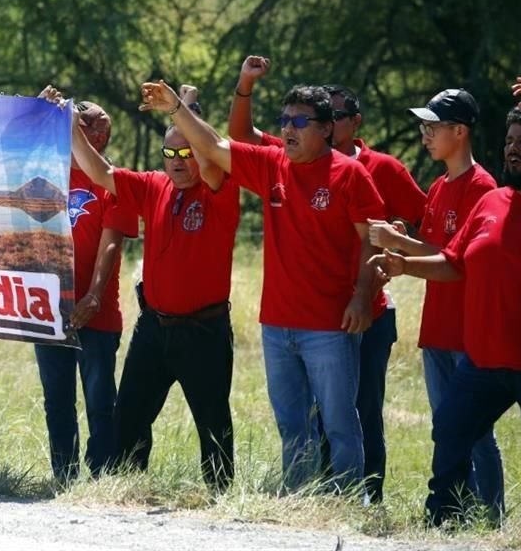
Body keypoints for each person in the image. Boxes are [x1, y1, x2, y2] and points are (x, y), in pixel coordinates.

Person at [149, 76, 386, 492]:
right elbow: (213, 147)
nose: (288, 129)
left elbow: (372, 238)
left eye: (300, 121)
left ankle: (348, 503)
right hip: (276, 325)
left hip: (330, 326)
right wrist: (176, 109)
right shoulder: (271, 165)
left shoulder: (350, 174)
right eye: (284, 120)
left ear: (327, 128)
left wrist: (363, 296)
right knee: (292, 425)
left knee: (340, 424)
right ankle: (298, 501)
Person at [227, 57, 426, 501]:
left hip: (360, 310)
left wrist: (377, 277)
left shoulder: (373, 168)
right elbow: (238, 138)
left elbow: (410, 223)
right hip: (299, 315)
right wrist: (241, 86)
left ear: (342, 124)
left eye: (332, 116)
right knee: (302, 418)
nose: (291, 128)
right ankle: (307, 502)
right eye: (287, 120)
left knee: (355, 414)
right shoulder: (286, 157)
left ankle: (360, 498)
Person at [370, 105, 521, 525]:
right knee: (450, 429)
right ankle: (444, 521)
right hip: (484, 359)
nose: (513, 150)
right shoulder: (492, 202)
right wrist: (404, 265)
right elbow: (455, 263)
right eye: (509, 141)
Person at [70, 87, 239, 491]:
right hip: (155, 327)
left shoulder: (219, 190)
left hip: (204, 330)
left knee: (212, 421)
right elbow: (100, 173)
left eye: (187, 153)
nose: (178, 162)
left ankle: (221, 499)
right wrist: (69, 129)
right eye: (170, 154)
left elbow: (213, 150)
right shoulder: (152, 185)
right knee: (127, 416)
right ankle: (127, 490)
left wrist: (181, 111)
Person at [368, 88, 503, 516]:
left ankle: (491, 511)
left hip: (468, 327)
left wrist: (397, 242)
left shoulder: (482, 186)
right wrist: (401, 244)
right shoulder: (439, 184)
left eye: (433, 127)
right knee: (446, 425)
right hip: (438, 325)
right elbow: (432, 245)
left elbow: (454, 257)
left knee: (475, 427)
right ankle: (455, 506)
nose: (425, 135)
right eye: (424, 127)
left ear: (459, 131)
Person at [33, 91, 138, 484]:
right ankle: (63, 473)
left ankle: (102, 476)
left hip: (98, 312)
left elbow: (111, 242)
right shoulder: (50, 172)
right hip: (50, 309)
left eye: (79, 118)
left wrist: (94, 294)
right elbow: (10, 142)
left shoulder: (113, 182)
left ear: (100, 132)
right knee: (56, 398)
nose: (69, 123)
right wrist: (40, 107)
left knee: (99, 398)